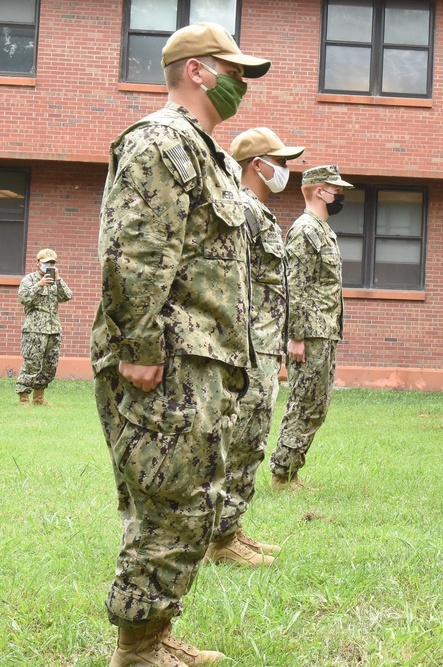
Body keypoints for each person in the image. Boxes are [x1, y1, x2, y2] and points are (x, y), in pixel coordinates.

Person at [91, 22, 271, 666]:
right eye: (234, 72)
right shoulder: (161, 142)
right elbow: (135, 253)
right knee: (170, 502)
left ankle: (154, 633)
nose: (241, 86)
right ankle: (138, 650)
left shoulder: (207, 154)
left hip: (195, 358)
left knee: (188, 500)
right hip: (162, 357)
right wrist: (138, 346)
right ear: (197, 70)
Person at [203, 128, 304, 568]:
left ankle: (231, 529)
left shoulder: (259, 212)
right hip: (248, 347)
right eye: (278, 160)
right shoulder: (242, 210)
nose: (285, 169)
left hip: (265, 345)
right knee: (241, 436)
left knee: (252, 438)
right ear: (256, 164)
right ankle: (219, 538)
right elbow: (233, 282)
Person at [269, 165, 352, 491]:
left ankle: (290, 472)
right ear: (320, 191)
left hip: (324, 331)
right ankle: (282, 475)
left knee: (316, 404)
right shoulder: (306, 231)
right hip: (310, 333)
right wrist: (296, 337)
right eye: (337, 189)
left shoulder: (322, 230)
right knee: (305, 402)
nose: (341, 196)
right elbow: (296, 288)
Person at [16, 248, 72, 406]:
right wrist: (39, 285)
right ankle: (24, 397)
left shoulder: (55, 280)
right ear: (38, 263)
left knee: (50, 365)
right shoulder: (29, 279)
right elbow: (24, 298)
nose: (50, 265)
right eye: (46, 263)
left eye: (53, 263)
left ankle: (39, 397)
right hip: (34, 329)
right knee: (32, 363)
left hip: (53, 330)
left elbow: (67, 296)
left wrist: (59, 280)